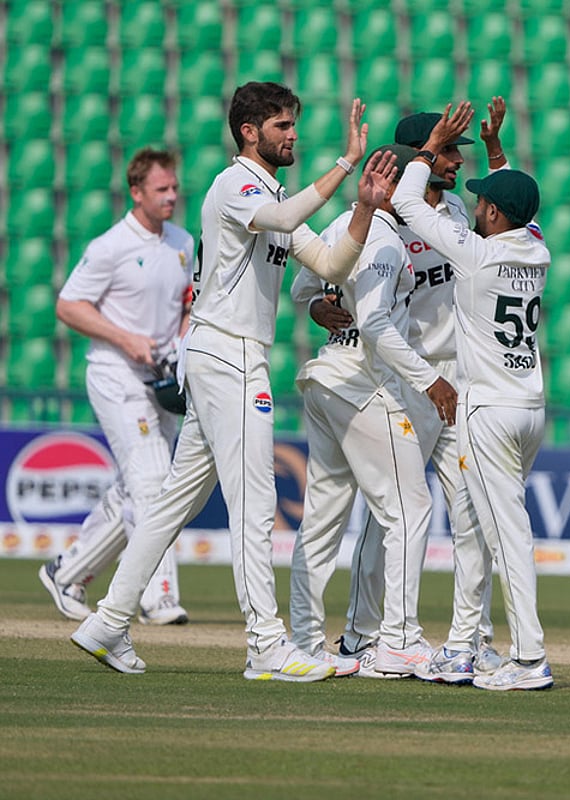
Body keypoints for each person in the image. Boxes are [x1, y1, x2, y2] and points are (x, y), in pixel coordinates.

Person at [70, 81, 398, 682]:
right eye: (281, 126)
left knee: (174, 503)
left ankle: (107, 620)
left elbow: (330, 264)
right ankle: (266, 647)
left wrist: (365, 208)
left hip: (227, 353)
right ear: (249, 132)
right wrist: (345, 163)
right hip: (230, 354)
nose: (292, 134)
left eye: (294, 124)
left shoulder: (270, 189)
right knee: (255, 503)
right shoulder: (236, 185)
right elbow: (281, 215)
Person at [314, 104, 509, 681]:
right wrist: (319, 304)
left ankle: (470, 639)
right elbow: (322, 283)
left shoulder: (453, 210)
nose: (456, 161)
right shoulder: (378, 220)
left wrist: (498, 152)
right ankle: (361, 636)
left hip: (457, 381)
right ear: (416, 154)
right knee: (390, 513)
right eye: (449, 150)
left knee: (471, 511)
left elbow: (510, 220)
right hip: (404, 377)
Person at [392, 101, 552, 691]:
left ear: (489, 212)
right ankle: (464, 647)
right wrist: (496, 151)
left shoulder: (476, 254)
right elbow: (523, 213)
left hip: (486, 410)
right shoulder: (537, 250)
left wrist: (431, 146)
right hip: (530, 409)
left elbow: (408, 202)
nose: (476, 205)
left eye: (484, 201)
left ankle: (529, 659)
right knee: (487, 529)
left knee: (506, 536)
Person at [287, 144, 458, 679]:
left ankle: (306, 642)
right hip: (363, 386)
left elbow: (303, 289)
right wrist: (430, 380)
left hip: (324, 379)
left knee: (323, 516)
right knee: (409, 510)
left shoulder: (345, 222)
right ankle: (399, 642)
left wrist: (320, 306)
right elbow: (378, 323)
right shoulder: (384, 240)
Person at [39, 148, 194, 626]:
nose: (170, 197)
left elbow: (188, 304)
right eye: (160, 190)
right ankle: (157, 595)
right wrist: (127, 339)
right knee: (152, 479)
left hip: (162, 378)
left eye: (173, 188)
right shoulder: (110, 246)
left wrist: (180, 342)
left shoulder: (182, 242)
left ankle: (67, 572)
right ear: (136, 192)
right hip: (114, 372)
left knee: (138, 486)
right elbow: (69, 305)